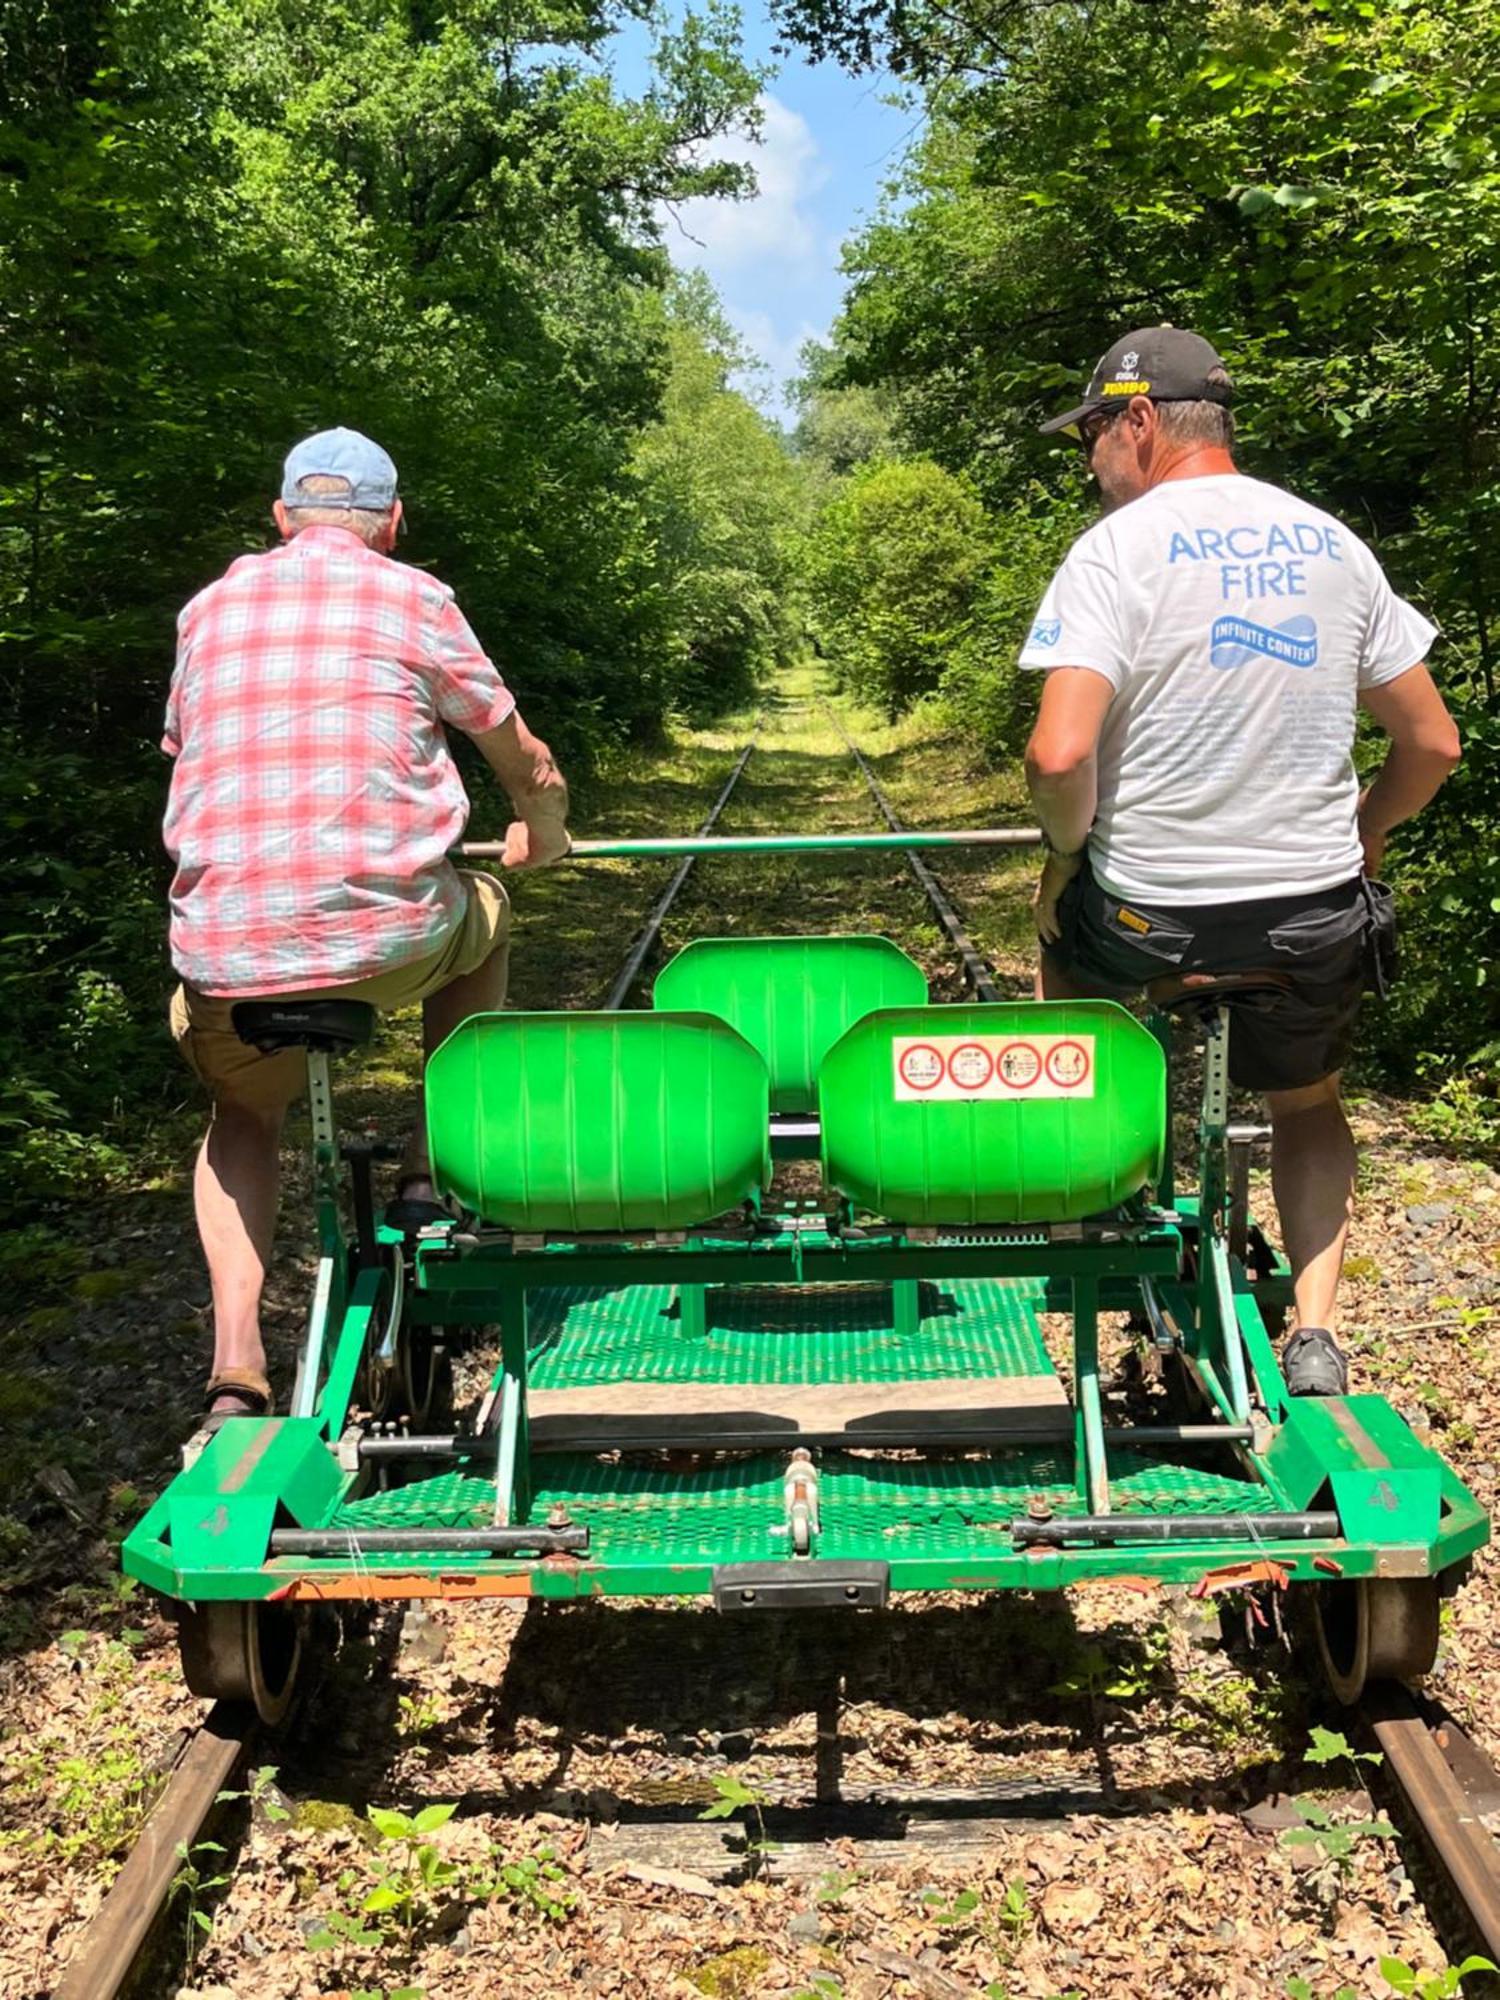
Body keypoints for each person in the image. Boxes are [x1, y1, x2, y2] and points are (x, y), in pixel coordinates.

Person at [1020, 328, 1460, 1396]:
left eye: (1091, 436)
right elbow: (1434, 743)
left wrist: (1068, 853)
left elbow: (1060, 751)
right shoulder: (1331, 544)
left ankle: (1095, 1213)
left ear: (1138, 421)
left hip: (1151, 920)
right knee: (1308, 1103)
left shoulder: (1114, 552)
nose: (1089, 460)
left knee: (1061, 959)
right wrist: (1369, 831)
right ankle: (1315, 1332)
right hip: (1310, 915)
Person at [163, 427, 570, 1427]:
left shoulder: (206, 609)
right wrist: (542, 828)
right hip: (390, 941)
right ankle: (431, 1173)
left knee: (241, 1116)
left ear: (280, 516)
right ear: (391, 523)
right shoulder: (416, 597)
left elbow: (187, 744)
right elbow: (520, 754)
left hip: (226, 955)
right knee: (489, 912)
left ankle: (236, 1363)